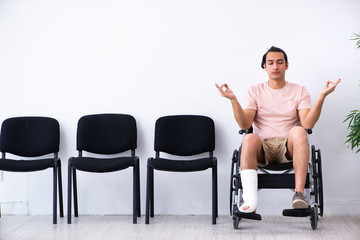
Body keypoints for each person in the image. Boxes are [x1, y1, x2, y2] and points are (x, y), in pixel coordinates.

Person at [216, 46, 340, 213]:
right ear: (264, 66)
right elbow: (245, 125)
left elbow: (308, 124)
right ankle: (250, 201)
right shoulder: (254, 91)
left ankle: (298, 194)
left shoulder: (299, 91)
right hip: (262, 148)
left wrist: (322, 97)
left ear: (286, 66)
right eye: (271, 63)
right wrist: (233, 100)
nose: (275, 66)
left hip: (288, 148)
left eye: (280, 62)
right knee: (249, 137)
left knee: (300, 131)